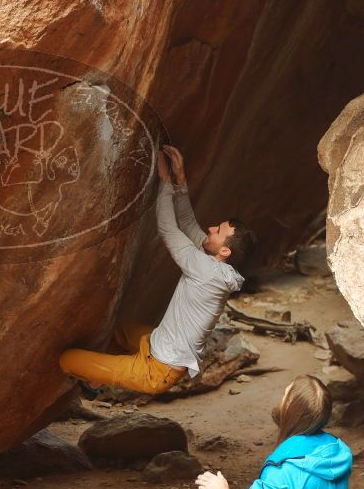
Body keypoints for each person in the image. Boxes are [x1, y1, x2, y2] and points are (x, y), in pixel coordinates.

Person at [59, 144, 257, 397]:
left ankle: (91, 381)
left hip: (157, 369)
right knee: (113, 332)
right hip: (157, 344)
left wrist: (164, 182)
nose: (210, 229)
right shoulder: (219, 267)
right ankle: (97, 375)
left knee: (67, 359)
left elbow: (168, 230)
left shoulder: (206, 270)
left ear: (225, 251)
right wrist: (181, 181)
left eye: (218, 231)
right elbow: (186, 223)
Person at [195, 375, 353, 489]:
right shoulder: (340, 452)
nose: (281, 401)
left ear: (292, 411)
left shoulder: (283, 469)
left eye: (285, 396)